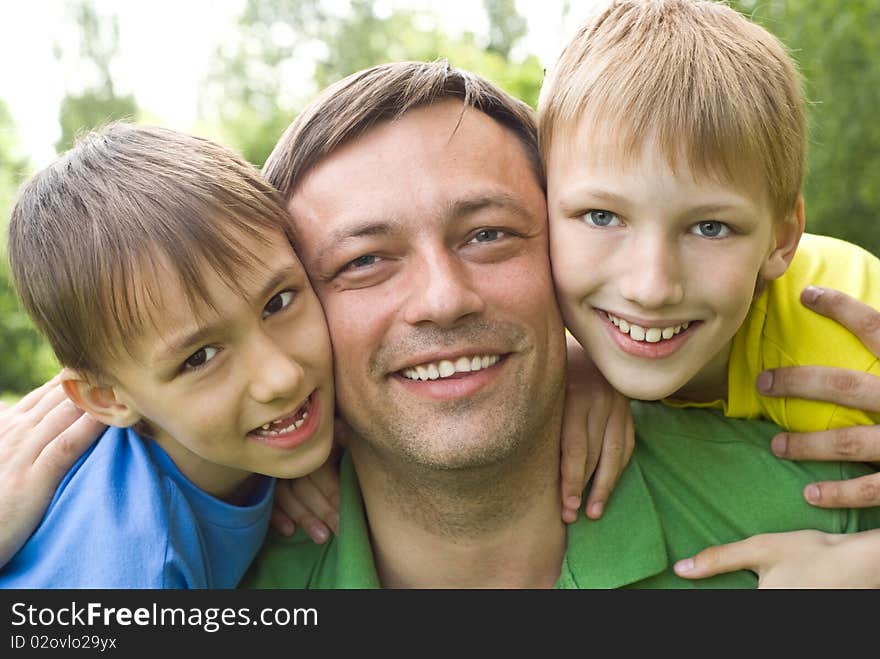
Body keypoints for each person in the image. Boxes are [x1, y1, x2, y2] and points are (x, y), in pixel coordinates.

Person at [4, 62, 880, 587]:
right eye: (363, 261)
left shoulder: (824, 533)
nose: (443, 298)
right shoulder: (208, 583)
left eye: (490, 234)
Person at [0, 123, 335, 588]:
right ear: (106, 399)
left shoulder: (218, 441)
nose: (280, 378)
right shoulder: (136, 570)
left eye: (277, 303)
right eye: (200, 357)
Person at [540, 0, 880, 432]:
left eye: (709, 228)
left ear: (781, 240)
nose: (651, 289)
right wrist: (572, 365)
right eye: (602, 217)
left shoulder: (849, 345)